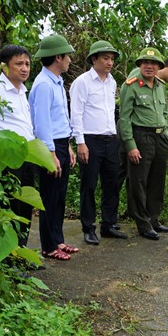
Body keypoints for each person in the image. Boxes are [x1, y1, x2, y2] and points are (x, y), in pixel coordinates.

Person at [0, 44, 37, 248]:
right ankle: (10, 263)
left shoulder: (22, 91)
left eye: (27, 64)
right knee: (9, 210)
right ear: (4, 66)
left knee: (25, 209)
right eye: (19, 63)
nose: (24, 68)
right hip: (6, 161)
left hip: (26, 158)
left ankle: (22, 255)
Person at [118, 47, 168, 240]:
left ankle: (154, 219)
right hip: (141, 137)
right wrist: (131, 145)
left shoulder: (161, 86)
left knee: (156, 180)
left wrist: (166, 133)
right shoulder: (131, 85)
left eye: (153, 63)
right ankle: (143, 224)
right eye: (145, 62)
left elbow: (165, 113)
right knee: (139, 181)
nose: (149, 66)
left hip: (160, 137)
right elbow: (124, 118)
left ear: (159, 67)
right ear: (140, 65)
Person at [69, 40, 128, 245]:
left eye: (112, 59)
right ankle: (88, 227)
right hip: (90, 139)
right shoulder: (82, 82)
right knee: (89, 185)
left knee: (112, 183)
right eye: (105, 58)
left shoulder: (112, 82)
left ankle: (108, 224)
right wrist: (80, 142)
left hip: (110, 139)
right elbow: (76, 113)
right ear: (94, 59)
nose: (110, 62)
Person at [29, 34, 79, 260]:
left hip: (59, 143)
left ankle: (58, 240)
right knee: (49, 196)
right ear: (58, 57)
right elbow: (42, 123)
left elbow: (59, 119)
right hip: (49, 146)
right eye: (67, 55)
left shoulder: (56, 82)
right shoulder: (43, 85)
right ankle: (48, 247)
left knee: (59, 196)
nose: (69, 59)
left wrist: (66, 146)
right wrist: (50, 154)